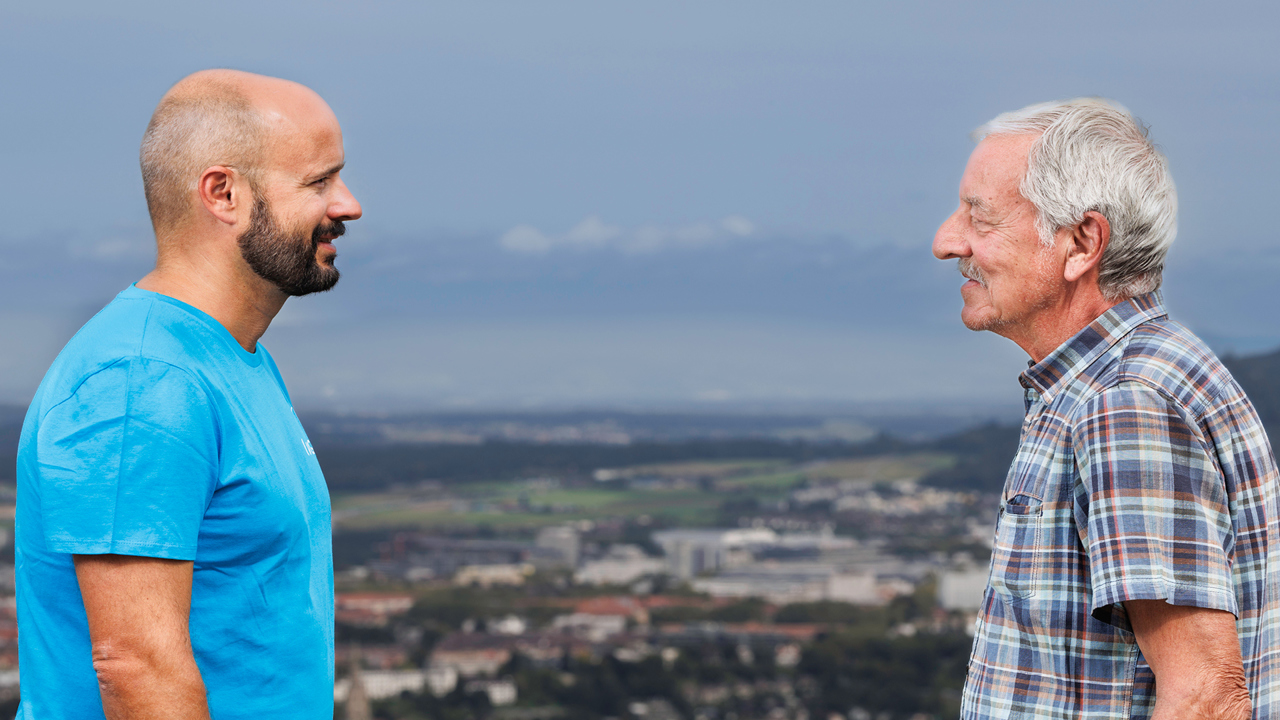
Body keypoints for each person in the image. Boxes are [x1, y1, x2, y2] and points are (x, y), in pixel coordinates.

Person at [15, 69, 362, 719]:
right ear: (223, 193)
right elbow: (138, 670)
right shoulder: (142, 381)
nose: (348, 204)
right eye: (319, 181)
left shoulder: (227, 357)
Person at [933, 98, 1278, 719]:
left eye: (980, 220)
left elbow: (1205, 695)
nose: (945, 241)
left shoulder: (1125, 403)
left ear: (1082, 242)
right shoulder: (1114, 381)